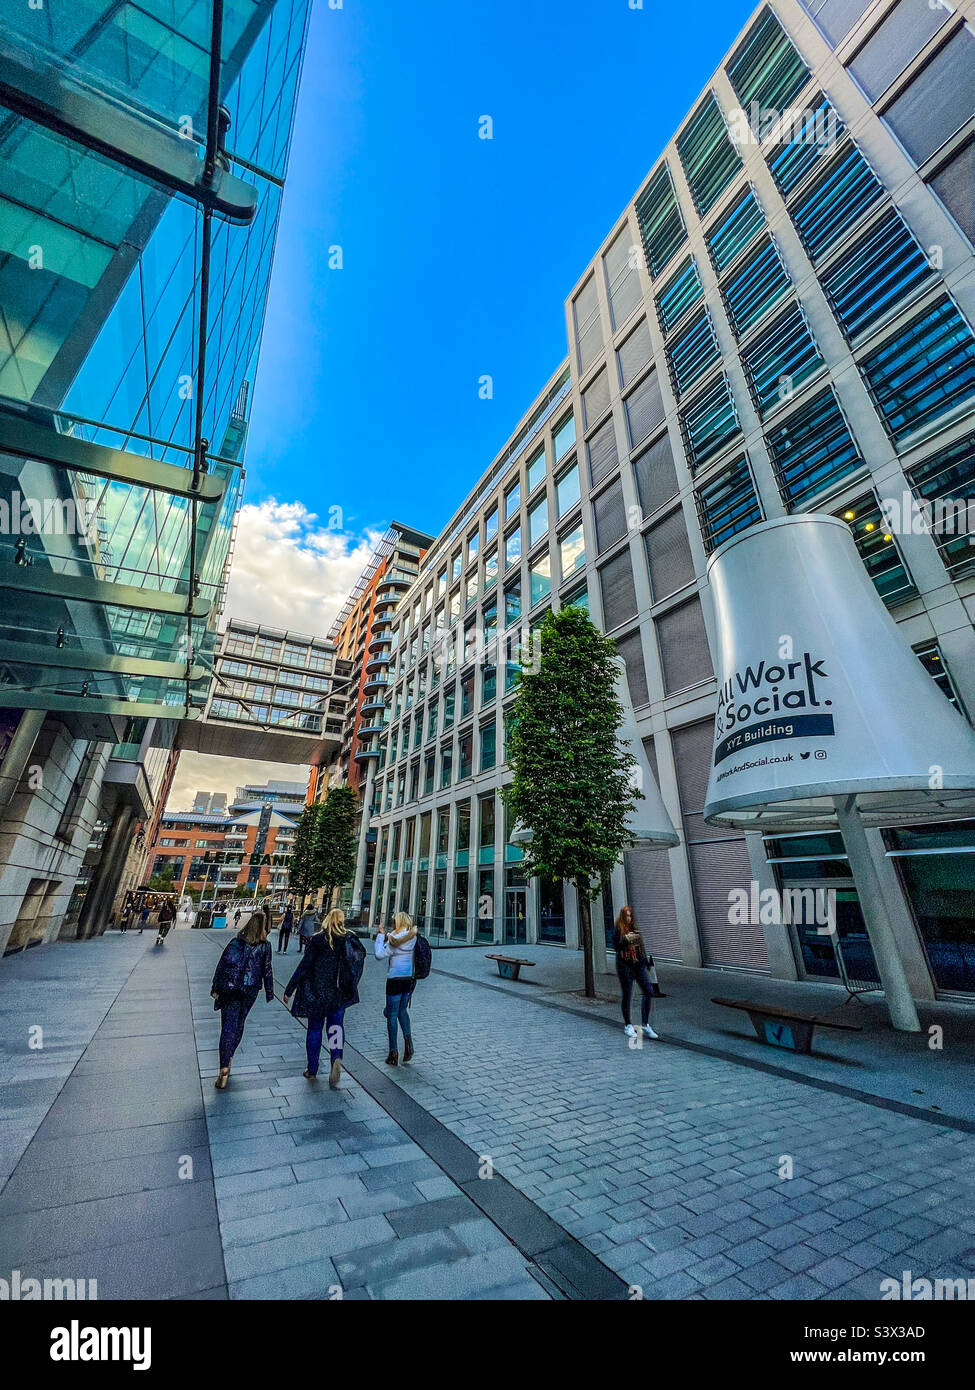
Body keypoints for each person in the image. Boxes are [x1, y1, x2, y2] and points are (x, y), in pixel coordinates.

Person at [283, 908, 365, 1088]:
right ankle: (336, 1057)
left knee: (314, 1029)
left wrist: (290, 989)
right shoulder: (347, 939)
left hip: (317, 992)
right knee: (336, 1027)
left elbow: (304, 965)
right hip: (338, 993)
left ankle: (312, 1068)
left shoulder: (318, 940)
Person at [210, 911, 274, 1089]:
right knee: (239, 1023)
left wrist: (215, 987)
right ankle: (229, 1057)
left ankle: (224, 1066)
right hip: (250, 990)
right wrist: (270, 992)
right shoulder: (265, 946)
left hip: (230, 989)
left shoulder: (235, 943)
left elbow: (222, 965)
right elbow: (267, 971)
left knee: (228, 1027)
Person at [375, 912, 417, 1066]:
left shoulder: (394, 940)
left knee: (392, 1015)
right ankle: (408, 1044)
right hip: (408, 979)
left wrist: (381, 936)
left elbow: (379, 955)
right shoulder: (413, 937)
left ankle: (393, 1052)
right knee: (402, 1010)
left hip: (394, 979)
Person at [613, 905, 658, 1040]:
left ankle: (645, 1024)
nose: (629, 918)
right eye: (627, 915)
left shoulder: (635, 928)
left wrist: (645, 962)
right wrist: (627, 939)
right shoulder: (618, 929)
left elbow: (641, 947)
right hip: (625, 966)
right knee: (627, 995)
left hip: (638, 965)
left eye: (630, 915)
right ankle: (628, 1025)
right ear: (622, 916)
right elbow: (616, 946)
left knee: (648, 991)